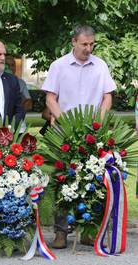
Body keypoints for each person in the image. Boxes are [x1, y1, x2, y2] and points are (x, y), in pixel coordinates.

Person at [42, 25, 116, 249]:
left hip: (93, 133)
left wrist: (99, 123)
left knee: (93, 181)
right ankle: (61, 232)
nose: (88, 48)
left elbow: (107, 97)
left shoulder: (100, 64)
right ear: (73, 41)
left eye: (92, 44)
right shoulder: (59, 65)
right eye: (84, 44)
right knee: (62, 180)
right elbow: (50, 99)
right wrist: (64, 120)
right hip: (64, 132)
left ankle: (87, 231)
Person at [5, 55, 32, 132]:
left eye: (12, 65)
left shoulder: (21, 83)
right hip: (0, 125)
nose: (10, 67)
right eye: (7, 65)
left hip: (19, 126)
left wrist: (17, 116)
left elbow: (29, 104)